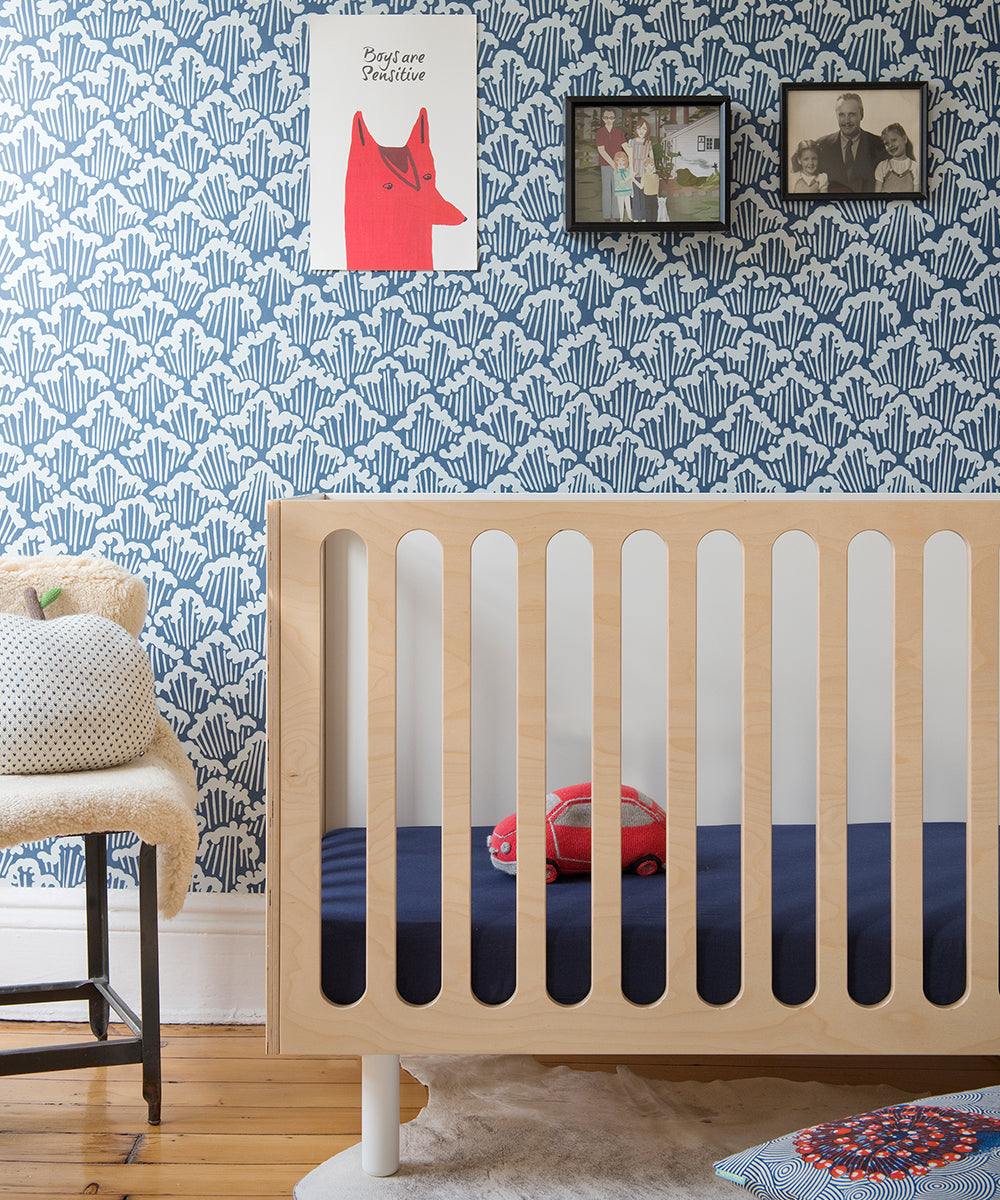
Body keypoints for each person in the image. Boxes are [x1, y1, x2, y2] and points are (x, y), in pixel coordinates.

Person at [815, 92, 887, 193]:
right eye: (841, 115)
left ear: (861, 115)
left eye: (851, 114)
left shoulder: (881, 145)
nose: (846, 121)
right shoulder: (821, 146)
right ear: (836, 116)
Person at [595, 108, 627, 220]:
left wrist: (633, 157)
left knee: (617, 190)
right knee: (606, 190)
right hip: (605, 165)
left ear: (614, 119)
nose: (609, 120)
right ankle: (607, 216)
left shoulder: (619, 132)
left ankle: (617, 215)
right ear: (603, 118)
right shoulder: (600, 133)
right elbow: (601, 150)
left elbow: (626, 147)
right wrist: (614, 164)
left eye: (611, 117)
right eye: (606, 117)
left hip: (619, 165)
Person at [875, 123, 918, 192]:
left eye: (894, 140)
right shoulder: (883, 166)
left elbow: (916, 195)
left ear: (904, 139)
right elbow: (877, 195)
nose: (890, 145)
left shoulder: (915, 167)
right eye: (887, 143)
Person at [628, 117, 654, 220]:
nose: (641, 131)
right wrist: (631, 171)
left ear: (647, 130)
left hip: (645, 172)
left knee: (643, 196)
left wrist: (652, 170)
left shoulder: (648, 143)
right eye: (639, 128)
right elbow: (630, 157)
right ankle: (636, 217)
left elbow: (651, 156)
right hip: (634, 171)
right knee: (635, 196)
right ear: (636, 129)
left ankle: (643, 217)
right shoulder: (631, 142)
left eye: (644, 128)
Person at [611, 149, 637, 220]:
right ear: (615, 161)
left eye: (622, 160)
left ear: (626, 160)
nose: (620, 162)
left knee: (628, 204)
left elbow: (630, 180)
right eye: (618, 160)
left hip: (627, 189)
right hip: (619, 190)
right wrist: (629, 177)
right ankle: (621, 217)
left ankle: (629, 216)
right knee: (620, 205)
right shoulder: (615, 171)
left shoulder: (628, 170)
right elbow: (620, 181)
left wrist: (632, 191)